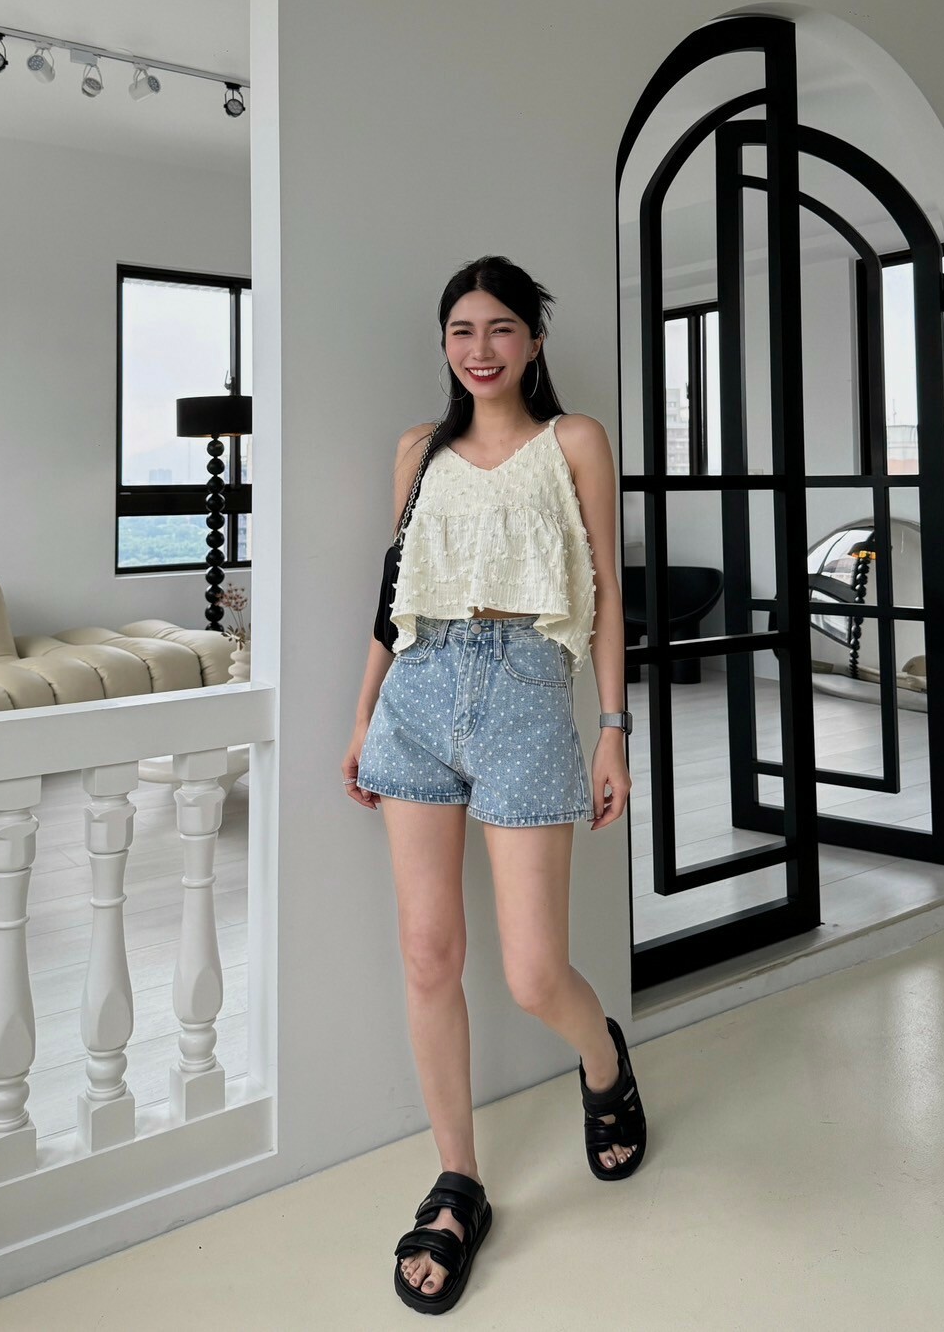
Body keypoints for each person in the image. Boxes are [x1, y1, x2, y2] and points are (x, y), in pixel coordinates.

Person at [341, 255, 647, 1314]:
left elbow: (606, 593)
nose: (481, 349)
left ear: (534, 340)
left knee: (532, 973)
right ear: (444, 343)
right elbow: (394, 590)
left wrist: (612, 729)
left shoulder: (575, 441)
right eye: (462, 330)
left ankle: (602, 1059)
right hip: (418, 695)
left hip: (526, 695)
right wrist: (362, 713)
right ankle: (457, 1184)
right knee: (429, 955)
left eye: (502, 328)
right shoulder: (417, 452)